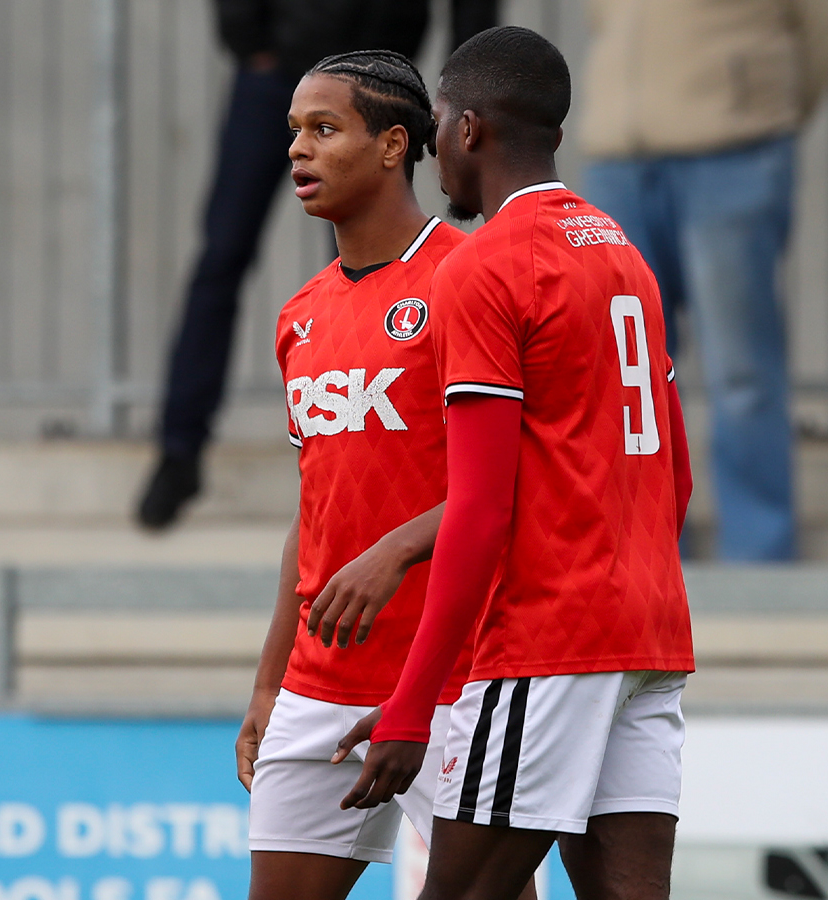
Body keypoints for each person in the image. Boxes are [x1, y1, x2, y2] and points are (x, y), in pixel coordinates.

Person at [333, 27, 695, 900]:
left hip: (552, 639)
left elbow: (482, 509)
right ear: (555, 135)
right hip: (649, 633)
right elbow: (675, 471)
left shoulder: (487, 267)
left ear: (466, 129)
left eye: (438, 129)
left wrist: (418, 705)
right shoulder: (621, 252)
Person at [240, 49, 538, 900]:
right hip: (321, 681)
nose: (299, 149)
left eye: (325, 129)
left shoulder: (467, 277)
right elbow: (317, 505)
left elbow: (513, 480)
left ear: (392, 144)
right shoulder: (301, 314)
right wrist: (270, 679)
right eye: (293, 131)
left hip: (455, 679)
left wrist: (394, 553)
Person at [137, 0, 500, 530]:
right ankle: (178, 451)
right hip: (278, 70)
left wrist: (460, 90)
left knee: (373, 273)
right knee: (222, 255)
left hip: (376, 80)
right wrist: (249, 41)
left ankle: (375, 456)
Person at [578, 0, 828, 561]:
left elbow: (823, 24)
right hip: (619, 160)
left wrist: (762, 105)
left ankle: (759, 554)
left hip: (734, 149)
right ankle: (645, 549)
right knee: (630, 370)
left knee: (740, 364)